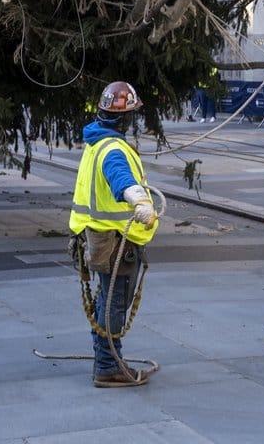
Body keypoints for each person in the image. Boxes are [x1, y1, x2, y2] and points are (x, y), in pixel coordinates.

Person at [69, 81, 159, 388]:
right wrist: (141, 202)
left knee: (107, 300)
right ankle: (108, 367)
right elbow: (119, 177)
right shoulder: (112, 149)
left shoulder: (96, 141)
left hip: (99, 240)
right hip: (116, 242)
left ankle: (106, 361)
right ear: (125, 119)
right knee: (114, 303)